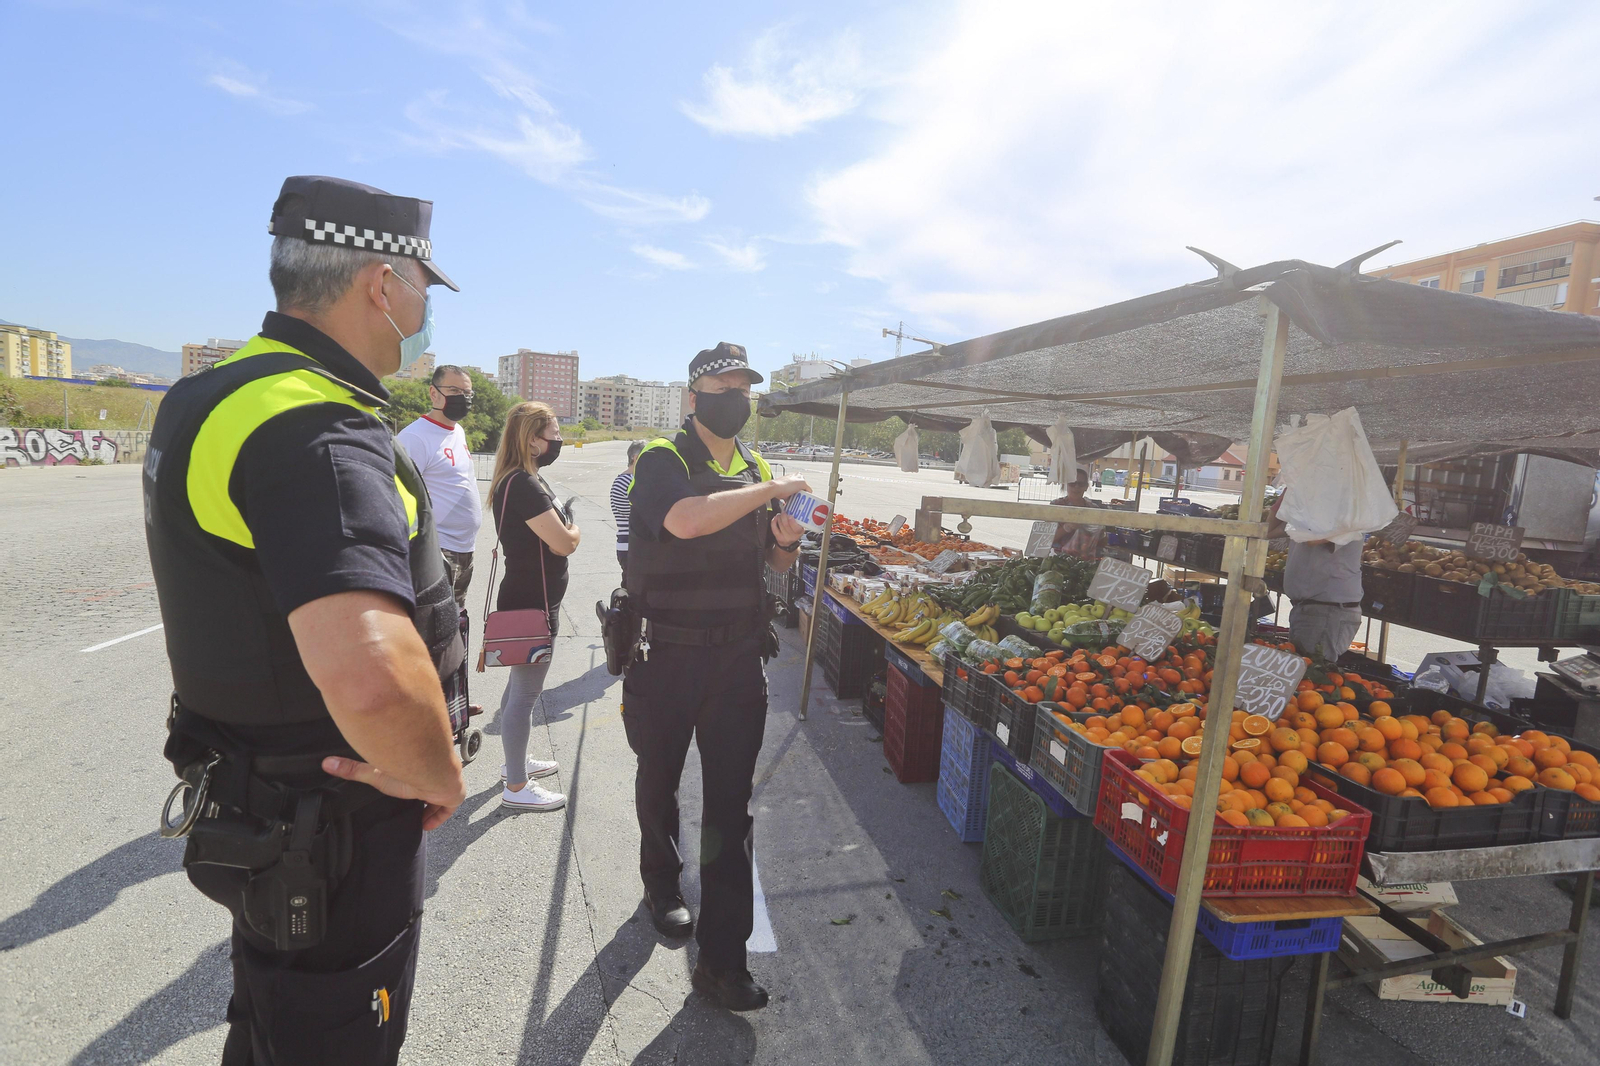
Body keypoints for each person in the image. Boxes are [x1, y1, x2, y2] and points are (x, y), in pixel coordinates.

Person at [143, 175, 467, 1065]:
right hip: (335, 823)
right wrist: (440, 775)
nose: (423, 309)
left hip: (263, 815)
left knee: (271, 1025)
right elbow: (369, 668)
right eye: (423, 289)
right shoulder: (314, 426)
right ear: (380, 284)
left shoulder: (212, 396)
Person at [623, 341, 809, 1012]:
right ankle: (661, 883)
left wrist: (785, 539)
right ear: (695, 395)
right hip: (667, 654)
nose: (739, 395)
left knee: (730, 807)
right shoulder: (663, 461)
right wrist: (771, 490)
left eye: (746, 386)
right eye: (725, 384)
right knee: (660, 777)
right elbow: (684, 519)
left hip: (736, 660)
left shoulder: (754, 464)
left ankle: (723, 963)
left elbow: (776, 568)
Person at [485, 401, 575, 811]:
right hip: (533, 604)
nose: (559, 440)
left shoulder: (518, 479)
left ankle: (514, 765)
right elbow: (562, 542)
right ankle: (517, 787)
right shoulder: (523, 483)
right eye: (554, 434)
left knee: (518, 690)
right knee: (525, 694)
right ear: (532, 440)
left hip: (528, 597)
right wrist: (574, 530)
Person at [396, 364, 482, 608]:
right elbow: (401, 499)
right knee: (434, 626)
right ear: (434, 393)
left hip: (465, 549)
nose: (462, 399)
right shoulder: (415, 437)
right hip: (439, 550)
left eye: (467, 393)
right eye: (454, 390)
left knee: (456, 621)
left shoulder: (458, 432)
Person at [1266, 494, 1364, 661]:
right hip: (1310, 610)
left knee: (1311, 677)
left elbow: (1313, 538)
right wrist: (1288, 495)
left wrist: (1300, 496)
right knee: (1300, 674)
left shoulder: (1348, 515)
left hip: (1326, 611)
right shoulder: (1307, 514)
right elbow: (1268, 530)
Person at [1051, 465, 1108, 558]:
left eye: (1081, 484)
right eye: (1072, 483)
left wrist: (1098, 530)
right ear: (1066, 485)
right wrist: (1067, 528)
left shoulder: (1093, 509)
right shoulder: (1056, 506)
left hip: (1085, 562)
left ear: (1086, 487)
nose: (1076, 487)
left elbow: (1102, 542)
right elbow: (1045, 539)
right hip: (1059, 560)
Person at [612, 440, 645, 572]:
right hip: (631, 546)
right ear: (635, 458)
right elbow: (639, 514)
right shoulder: (626, 481)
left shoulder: (628, 480)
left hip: (631, 545)